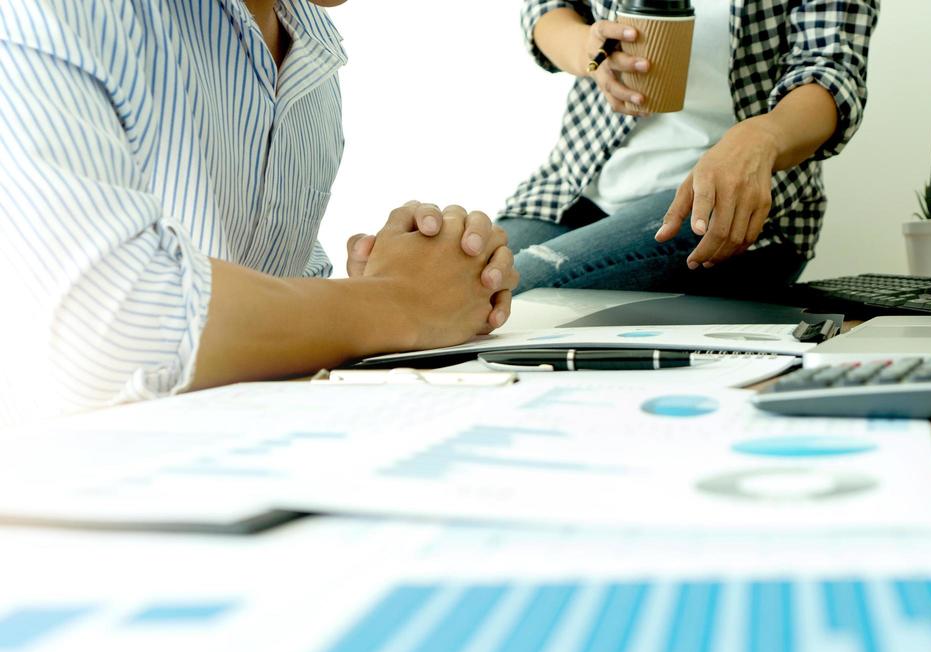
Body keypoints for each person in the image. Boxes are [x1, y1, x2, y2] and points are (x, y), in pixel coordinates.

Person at [0, 0, 518, 424]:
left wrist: (389, 281)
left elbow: (265, 325)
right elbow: (115, 328)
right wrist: (399, 302)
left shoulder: (308, 45)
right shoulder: (52, 13)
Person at [501, 0, 878, 296]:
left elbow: (832, 72)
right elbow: (545, 9)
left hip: (726, 202)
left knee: (501, 293)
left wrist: (763, 137)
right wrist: (588, 49)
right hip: (575, 185)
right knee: (461, 275)